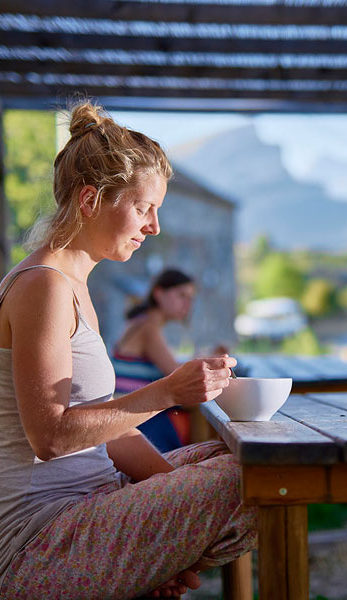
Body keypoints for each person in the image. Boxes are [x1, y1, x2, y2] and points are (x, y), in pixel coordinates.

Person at [0, 102, 257, 600]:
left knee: (230, 456)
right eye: (144, 207)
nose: (154, 226)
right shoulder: (43, 288)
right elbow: (50, 438)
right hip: (41, 538)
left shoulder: (73, 286)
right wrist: (167, 392)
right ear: (91, 200)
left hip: (91, 504)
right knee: (245, 476)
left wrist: (173, 527)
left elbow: (108, 434)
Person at [112, 268, 197, 452]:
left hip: (131, 415)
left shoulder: (142, 322)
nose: (187, 303)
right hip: (134, 421)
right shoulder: (148, 328)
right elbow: (177, 374)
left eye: (190, 298)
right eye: (182, 295)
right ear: (159, 294)